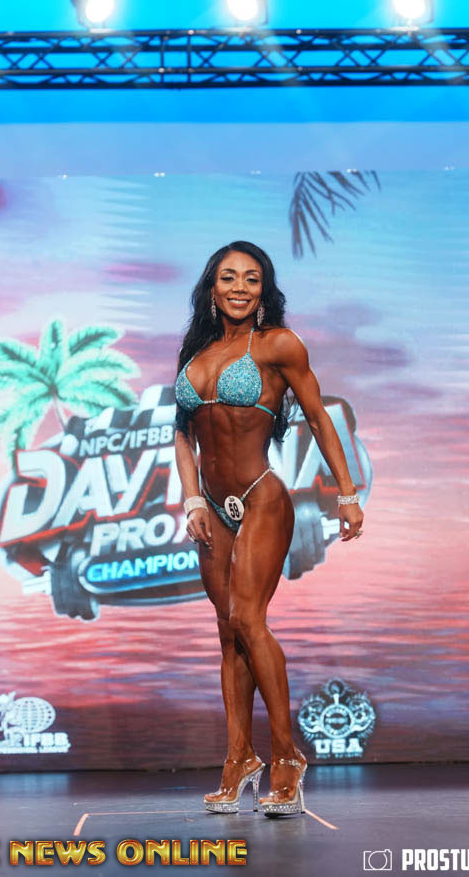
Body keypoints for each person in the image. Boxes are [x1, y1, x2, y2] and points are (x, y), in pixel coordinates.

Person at [174, 240, 364, 816]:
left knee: (248, 620)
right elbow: (182, 433)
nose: (239, 287)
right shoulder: (196, 352)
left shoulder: (279, 344)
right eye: (228, 277)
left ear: (264, 290)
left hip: (261, 496)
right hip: (212, 506)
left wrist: (347, 493)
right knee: (226, 631)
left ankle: (286, 757)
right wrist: (192, 499)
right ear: (212, 288)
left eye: (251, 279)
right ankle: (238, 758)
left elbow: (318, 418)